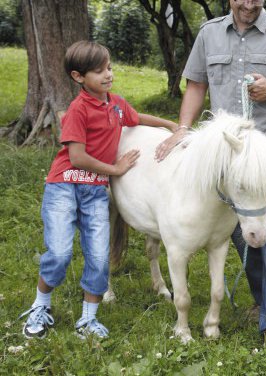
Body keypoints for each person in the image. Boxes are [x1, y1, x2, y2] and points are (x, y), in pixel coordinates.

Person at [154, 0, 266, 348]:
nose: (249, 3)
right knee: (243, 234)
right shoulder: (210, 33)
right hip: (226, 155)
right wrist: (183, 128)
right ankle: (262, 300)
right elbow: (196, 84)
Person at [18, 40, 179, 339]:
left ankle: (88, 319)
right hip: (65, 184)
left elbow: (136, 117)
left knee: (98, 257)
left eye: (109, 68)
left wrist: (170, 124)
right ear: (79, 77)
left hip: (93, 190)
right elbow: (77, 157)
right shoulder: (79, 110)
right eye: (99, 71)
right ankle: (40, 305)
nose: (108, 75)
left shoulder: (115, 104)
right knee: (61, 251)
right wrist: (116, 170)